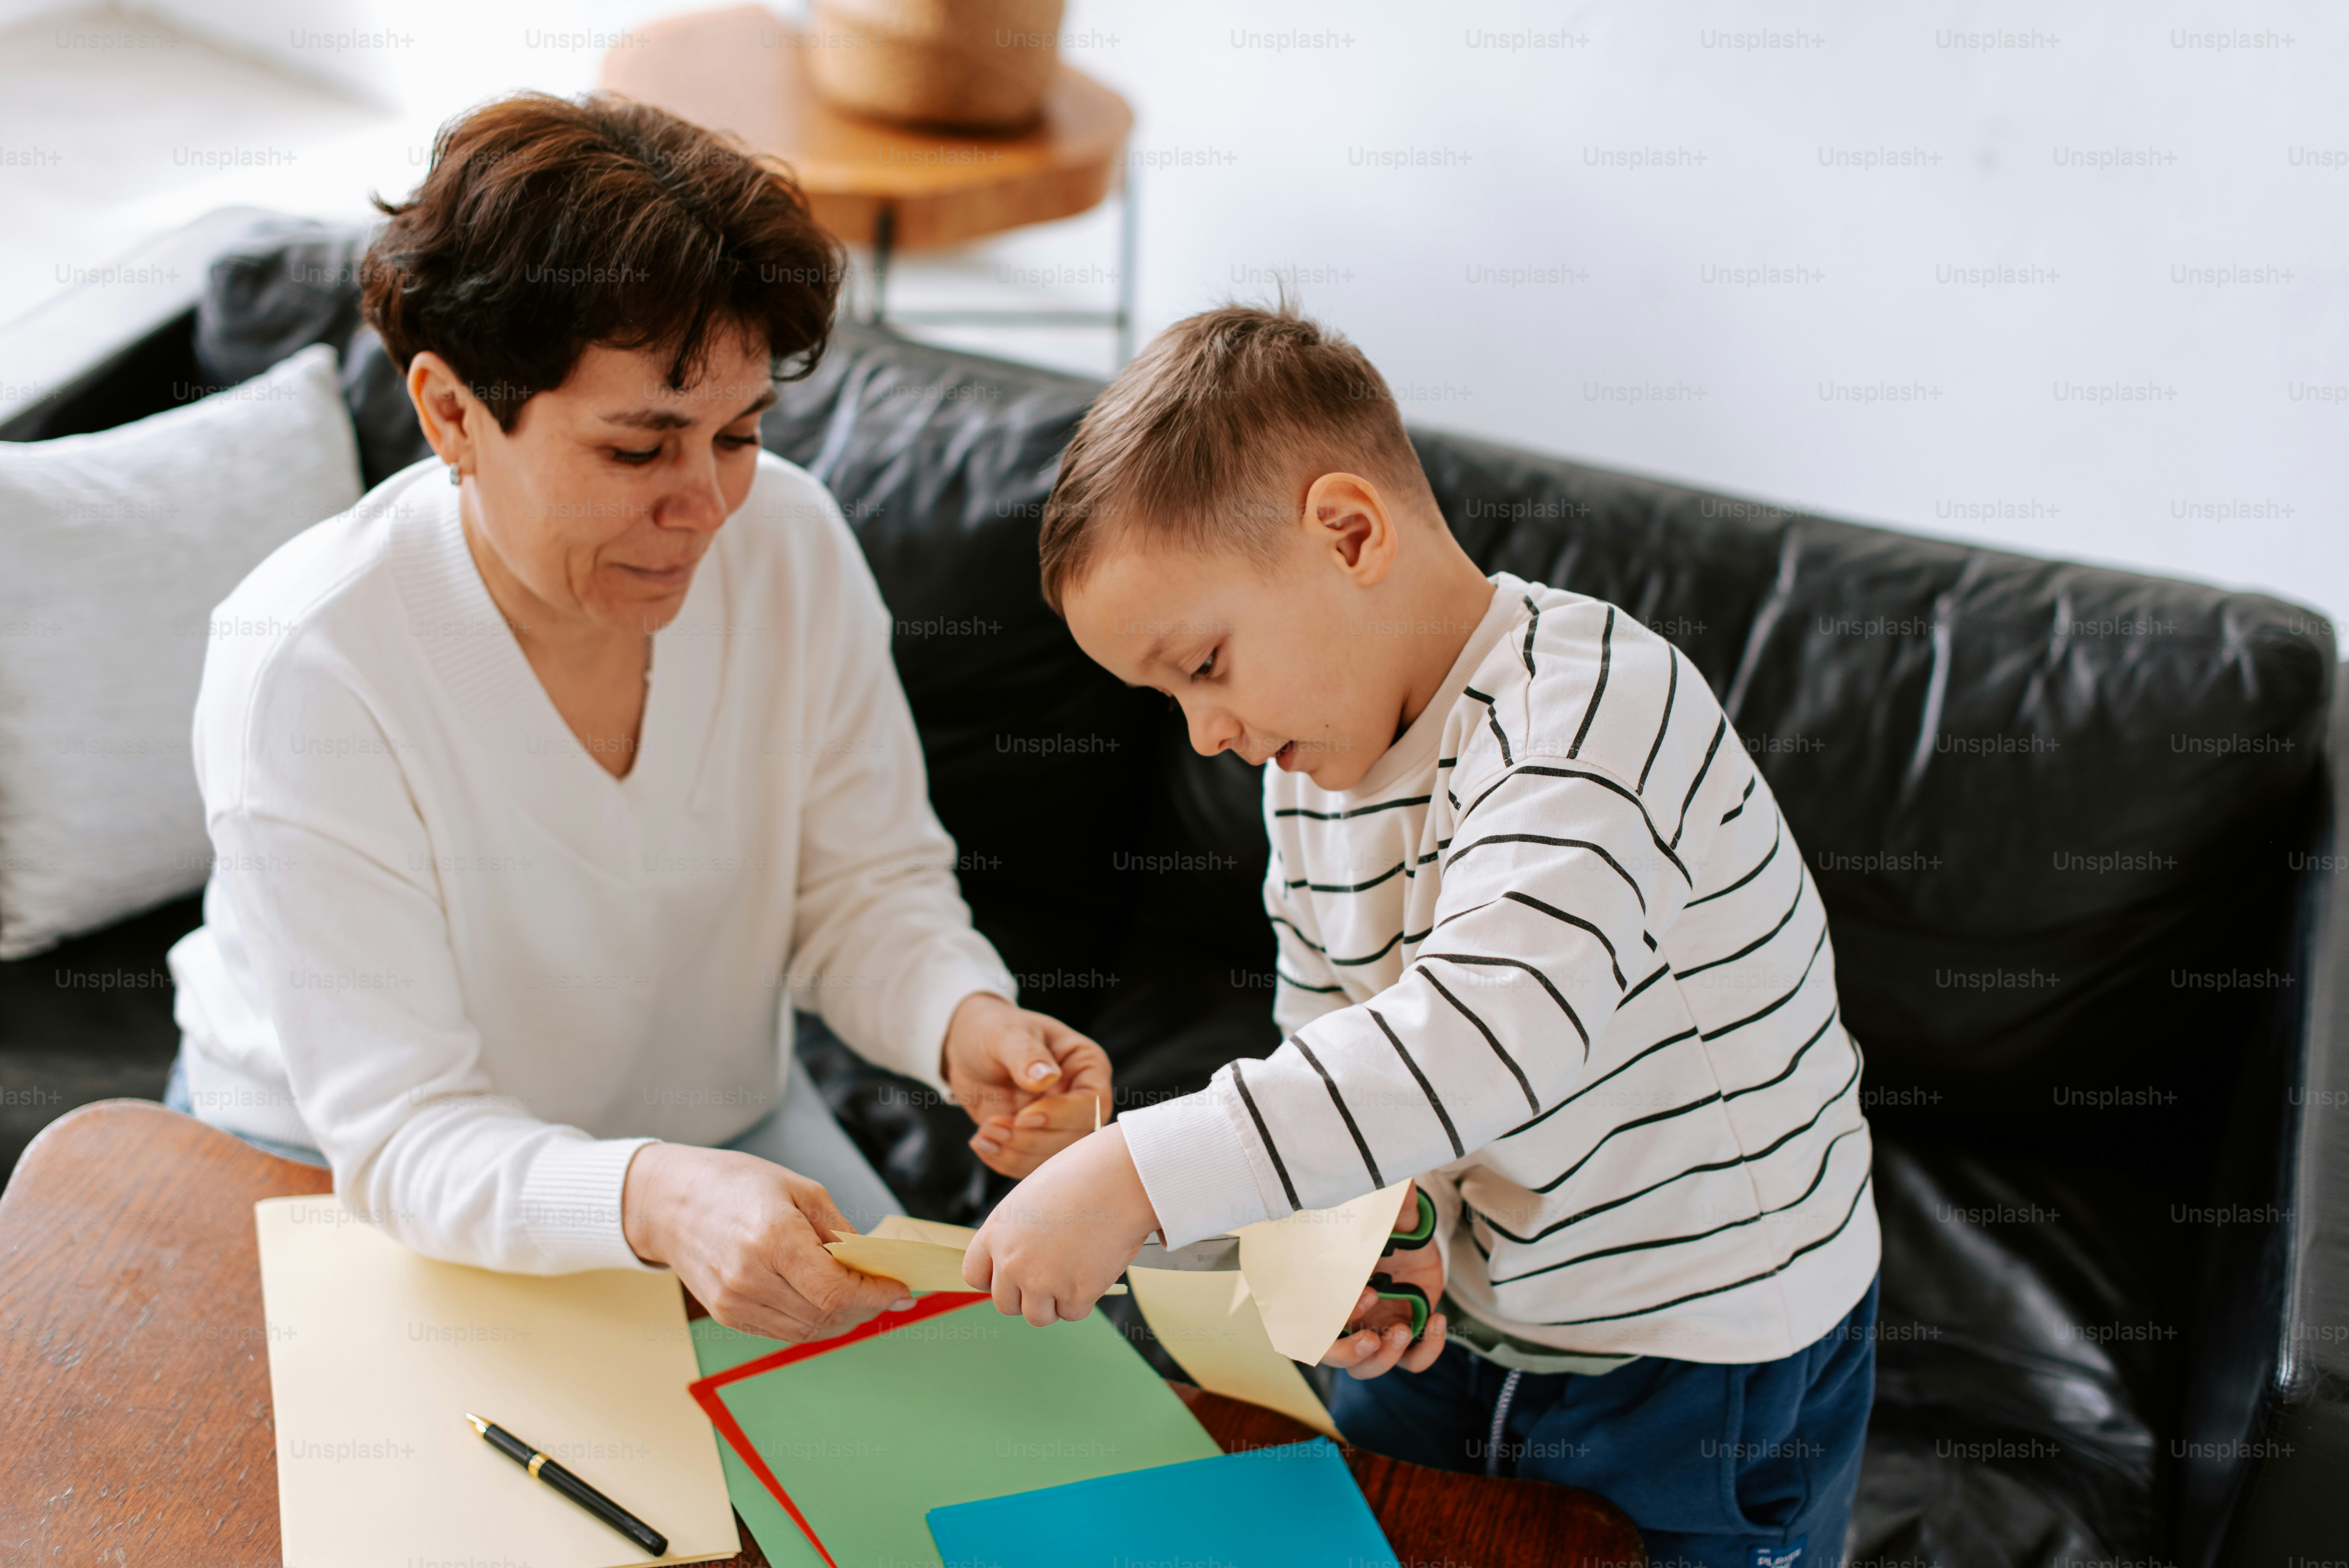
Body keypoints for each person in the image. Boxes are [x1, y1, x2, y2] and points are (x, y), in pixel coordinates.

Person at [164, 91, 1109, 1346]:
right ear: (451, 412)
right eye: (637, 450)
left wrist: (962, 1018)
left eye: (740, 434)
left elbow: (866, 885)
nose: (710, 504)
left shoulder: (790, 543)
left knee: (966, 1429)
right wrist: (650, 1197)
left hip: (715, 1133)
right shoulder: (308, 667)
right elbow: (402, 1135)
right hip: (336, 1173)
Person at [962, 305, 1879, 1566]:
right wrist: (1379, 1234)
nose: (1204, 734)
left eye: (1208, 664)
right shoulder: (1309, 776)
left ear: (1349, 534)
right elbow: (1344, 1049)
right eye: (1167, 697)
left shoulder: (1597, 708)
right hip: (1481, 1327)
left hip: (1700, 1362)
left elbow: (1480, 1041)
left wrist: (1133, 1177)